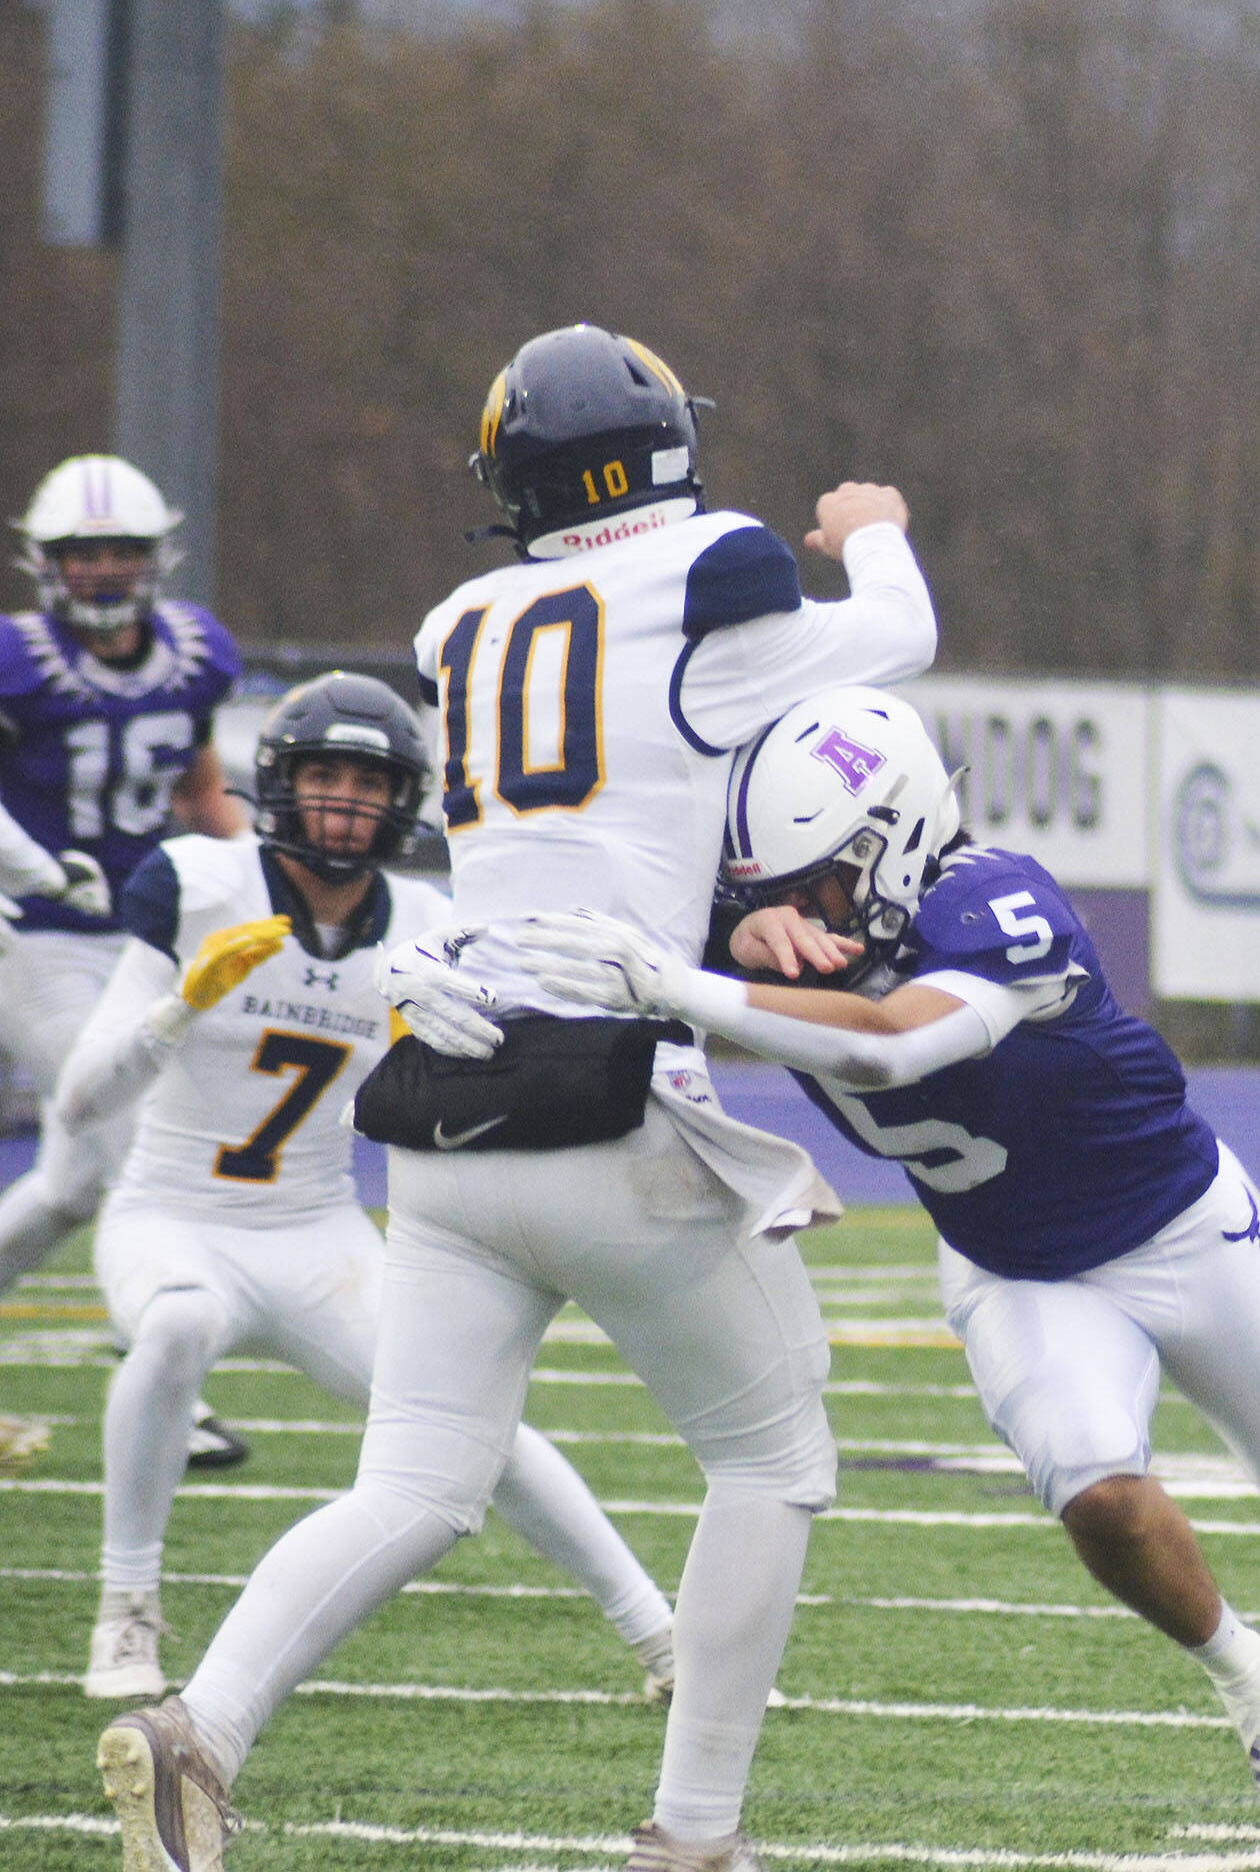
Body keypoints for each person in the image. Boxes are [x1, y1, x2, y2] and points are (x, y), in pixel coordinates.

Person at [94, 321, 938, 1872]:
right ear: (664, 446)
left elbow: (605, 813)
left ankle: (199, 1726)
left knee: (413, 1481)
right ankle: (694, 1833)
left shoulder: (459, 618)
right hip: (609, 1097)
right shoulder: (714, 569)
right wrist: (874, 533)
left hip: (440, 1099)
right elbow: (898, 641)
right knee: (773, 1461)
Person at [511, 681, 1260, 1799]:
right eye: (770, 892)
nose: (797, 914)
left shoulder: (996, 901)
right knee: (1096, 1486)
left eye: (814, 885)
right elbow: (589, 898)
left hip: (1188, 1227)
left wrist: (685, 980)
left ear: (896, 834)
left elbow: (883, 1049)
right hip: (1020, 1268)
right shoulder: (762, 924)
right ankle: (1249, 1681)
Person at [60, 668, 677, 1709]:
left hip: (316, 1232)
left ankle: (661, 1634)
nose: (344, 797)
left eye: (368, 778)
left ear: (403, 799)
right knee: (176, 1325)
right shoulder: (196, 881)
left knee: (475, 1422)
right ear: (279, 781)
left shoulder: (426, 919)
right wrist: (180, 1004)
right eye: (323, 773)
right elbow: (78, 1102)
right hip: (171, 1217)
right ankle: (127, 1601)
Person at [0, 455, 249, 1468]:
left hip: (140, 934)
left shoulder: (195, 653)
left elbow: (199, 795)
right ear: (46, 562)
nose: (102, 569)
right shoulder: (16, 660)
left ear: (156, 558)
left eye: (120, 551)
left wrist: (261, 871)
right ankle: (167, 1386)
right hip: (33, 932)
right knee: (138, 1141)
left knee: (66, 1187)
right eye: (82, 552)